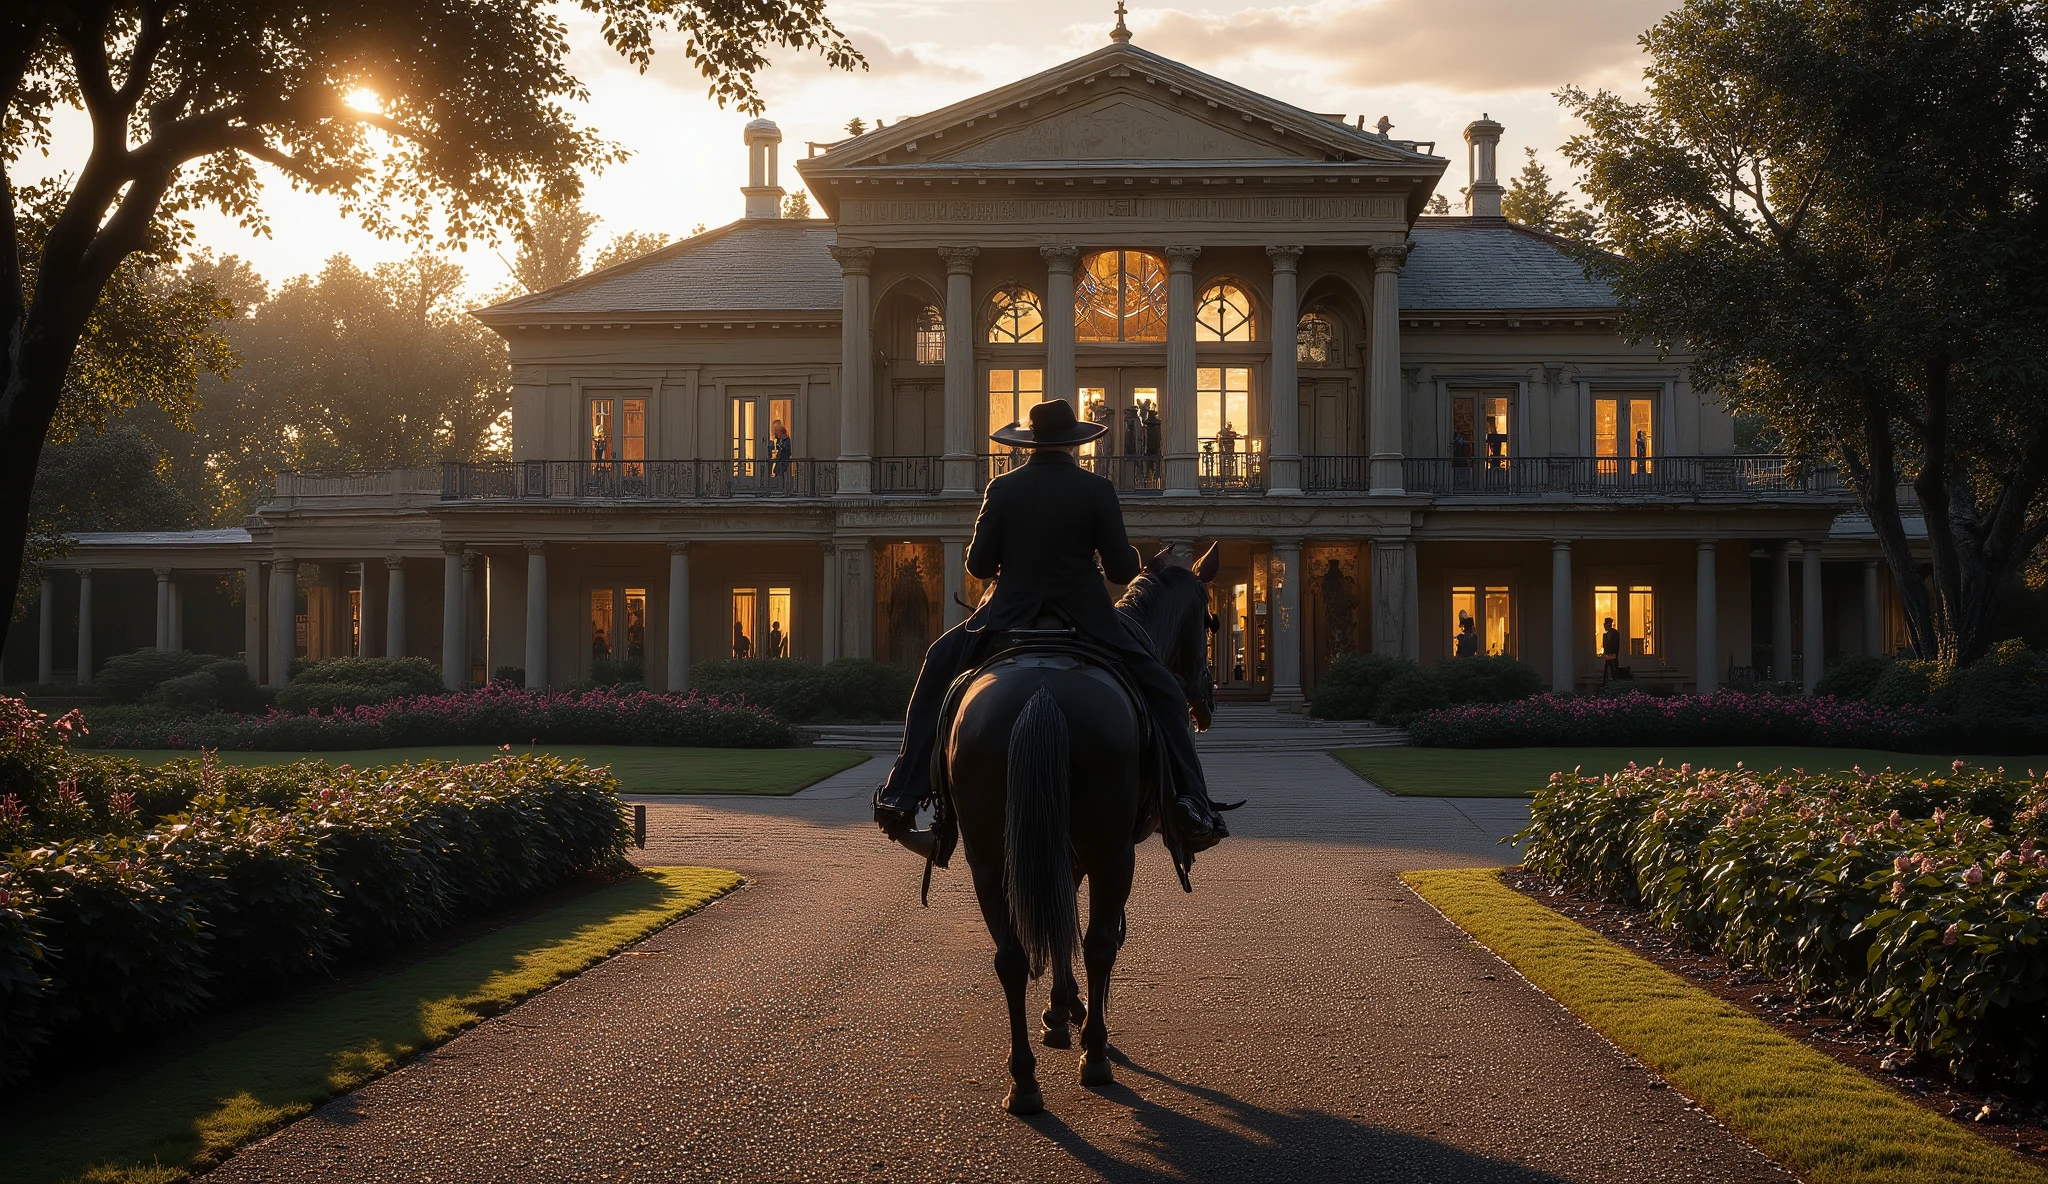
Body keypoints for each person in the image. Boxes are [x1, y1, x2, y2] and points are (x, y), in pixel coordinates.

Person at [873, 397, 1228, 862]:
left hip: (1008, 614)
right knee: (1163, 689)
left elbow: (978, 564)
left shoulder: (1001, 488)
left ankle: (904, 792)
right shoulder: (1096, 489)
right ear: (1074, 444)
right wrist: (1128, 558)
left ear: (1030, 444)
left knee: (937, 665)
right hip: (1088, 618)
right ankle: (1190, 803)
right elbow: (1123, 571)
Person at [1602, 617, 1621, 682]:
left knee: (1613, 669)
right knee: (1608, 668)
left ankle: (1615, 681)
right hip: (1608, 654)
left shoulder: (1615, 633)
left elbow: (1616, 645)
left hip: (1613, 654)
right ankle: (1607, 680)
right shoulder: (1605, 635)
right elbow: (1605, 645)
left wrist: (1614, 654)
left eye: (1606, 624)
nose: (1605, 626)